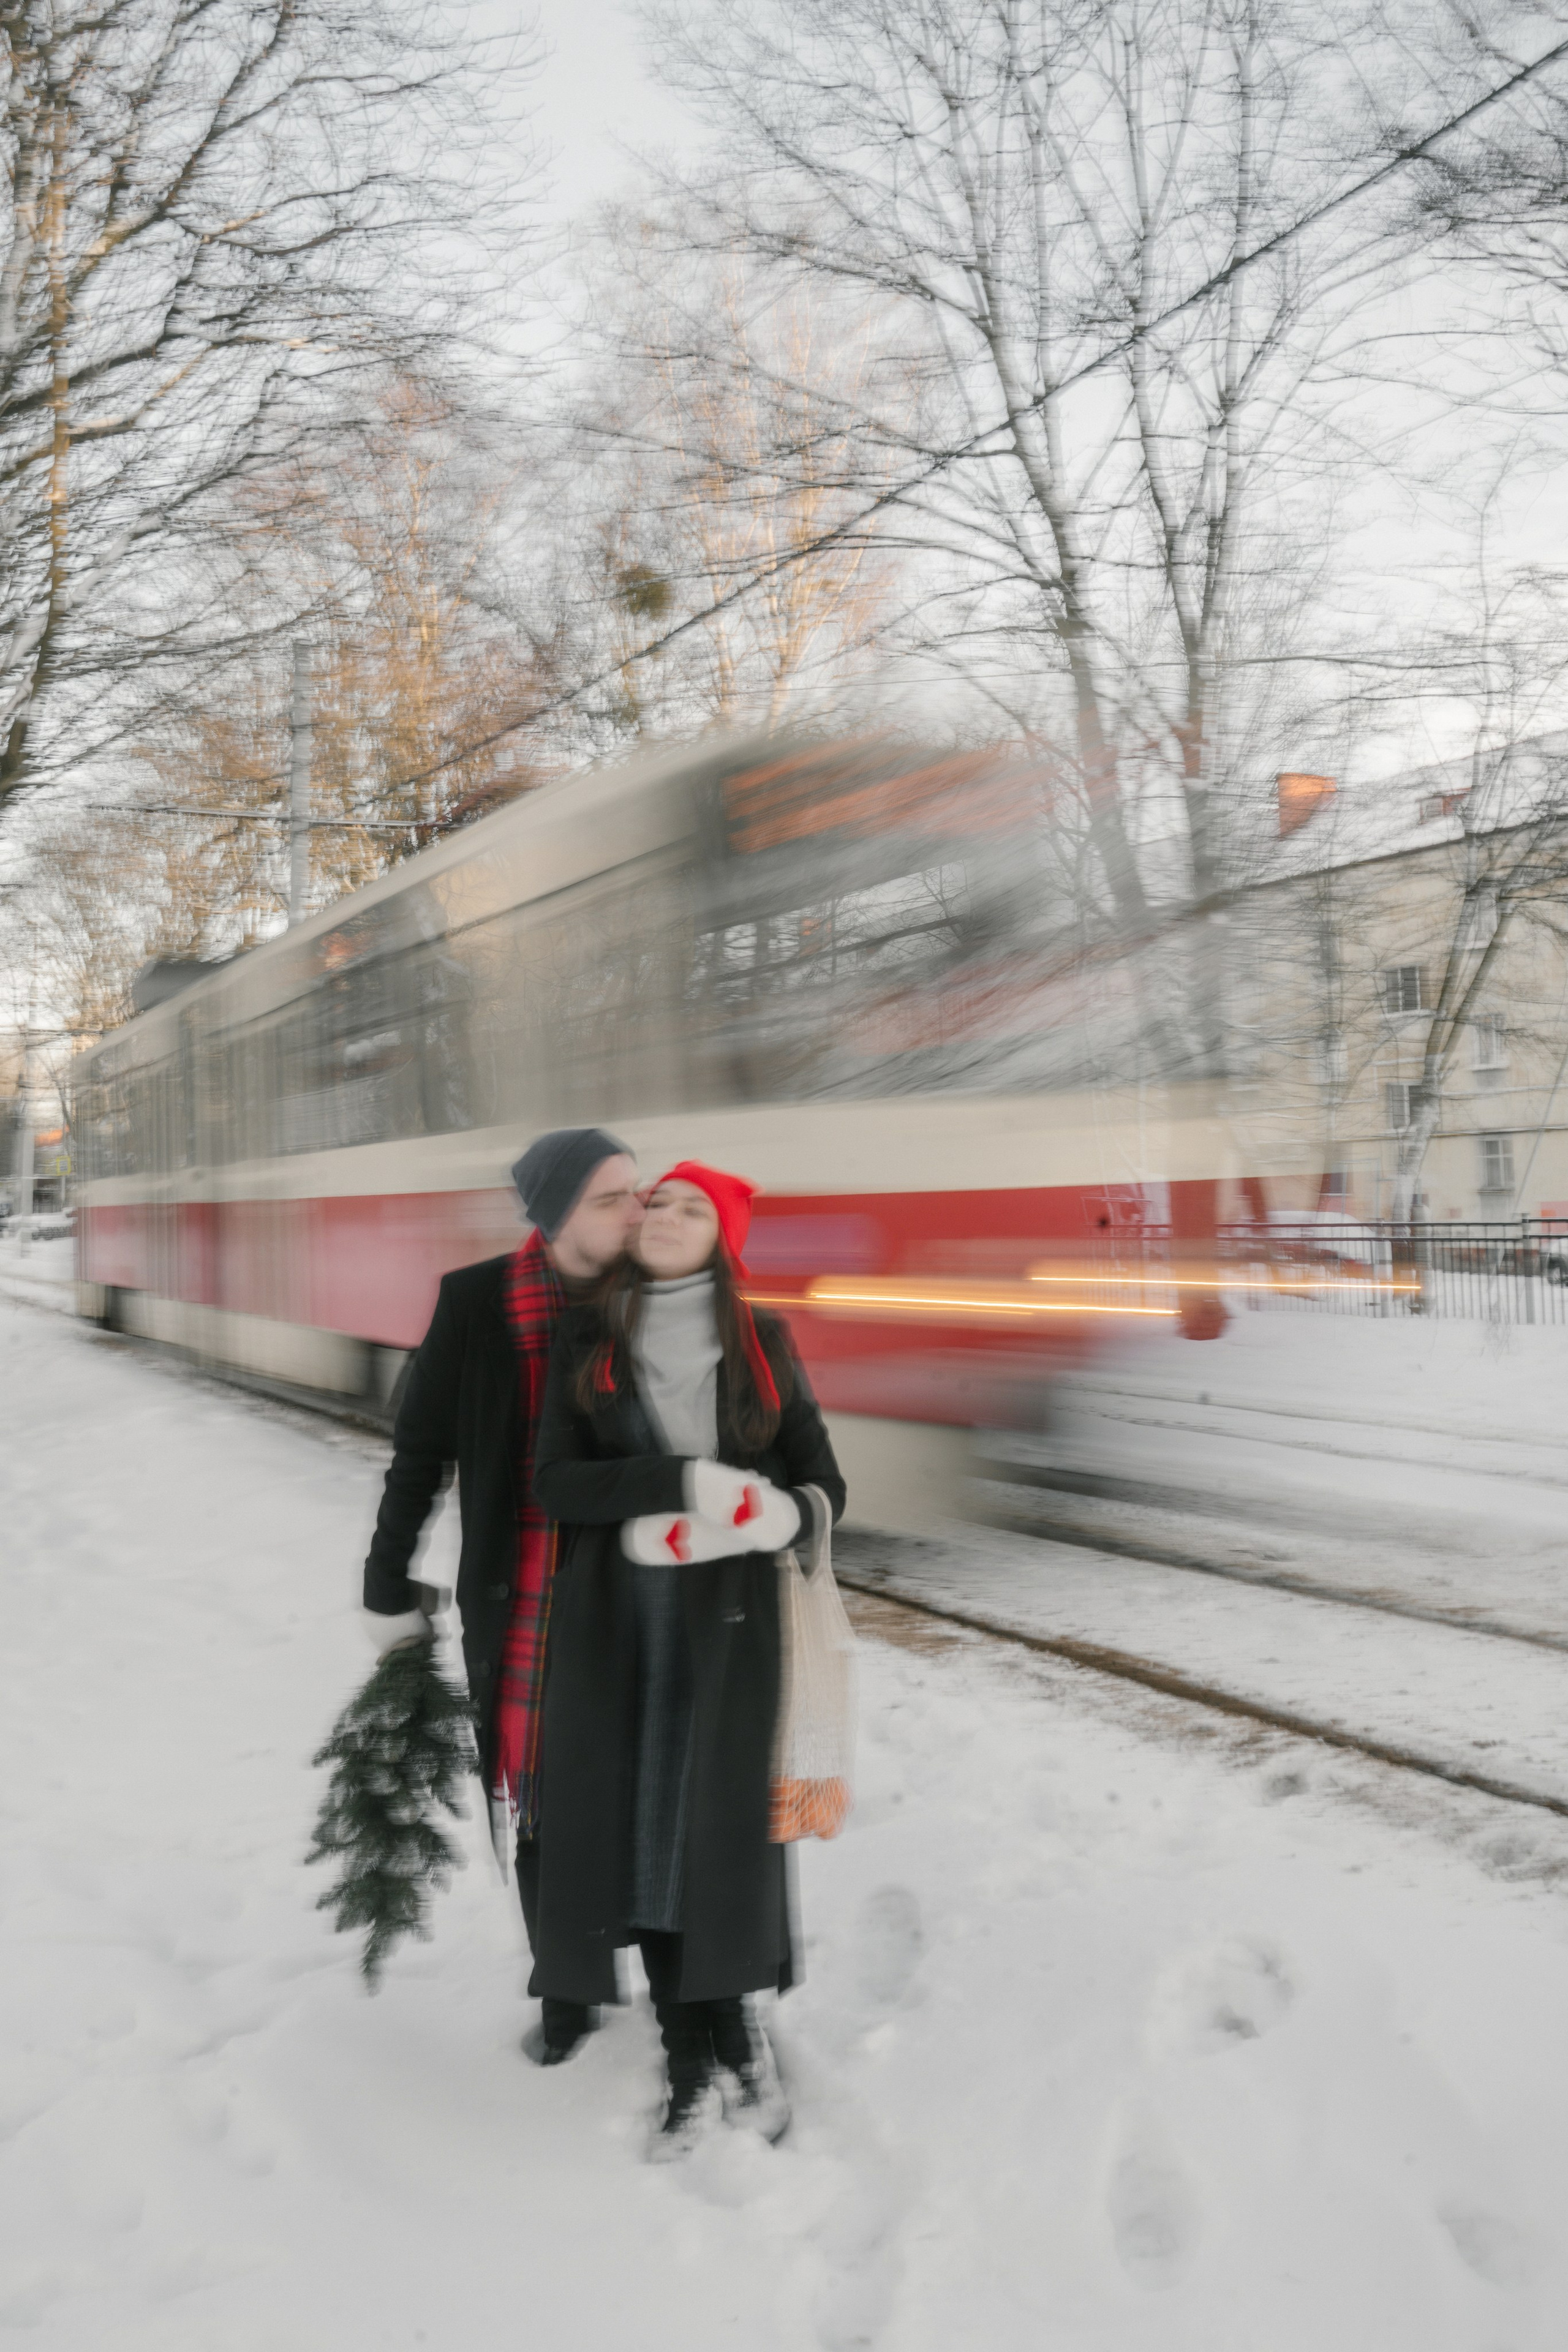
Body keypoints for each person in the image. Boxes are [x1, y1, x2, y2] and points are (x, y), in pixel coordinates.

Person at [530, 1160, 846, 2157]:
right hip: (617, 1630)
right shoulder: (589, 1339)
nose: (666, 1215)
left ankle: (738, 2033)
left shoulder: (765, 1342)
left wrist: (781, 1513)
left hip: (734, 1629)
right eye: (655, 1203)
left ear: (725, 1238)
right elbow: (555, 1485)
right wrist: (677, 1480)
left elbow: (822, 1482)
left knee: (725, 1835)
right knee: (645, 1831)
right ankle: (685, 2054)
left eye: (691, 1206)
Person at [361, 1126, 644, 2062]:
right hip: (523, 1591)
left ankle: (673, 1974)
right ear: (557, 1212)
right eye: (611, 1198)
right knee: (541, 1798)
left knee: (646, 1782)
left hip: (642, 1590)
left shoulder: (658, 1297)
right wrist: (386, 1574)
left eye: (635, 1194)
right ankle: (567, 1989)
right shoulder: (478, 1303)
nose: (634, 1213)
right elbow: (421, 1453)